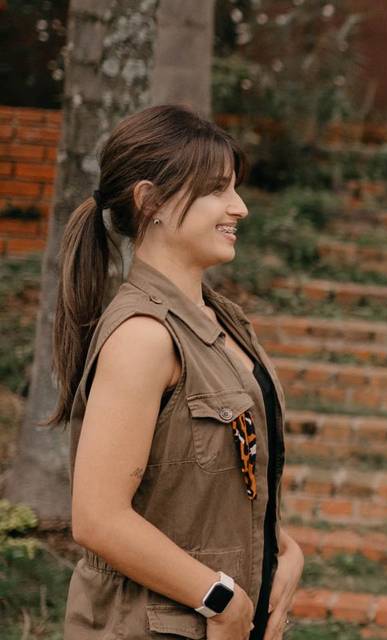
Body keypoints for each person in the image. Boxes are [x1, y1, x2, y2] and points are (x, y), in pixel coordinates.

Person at [49, 104, 303, 639]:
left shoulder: (223, 321)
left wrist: (285, 550)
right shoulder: (144, 336)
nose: (240, 208)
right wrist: (222, 600)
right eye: (217, 190)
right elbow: (97, 517)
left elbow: (221, 482)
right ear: (151, 202)